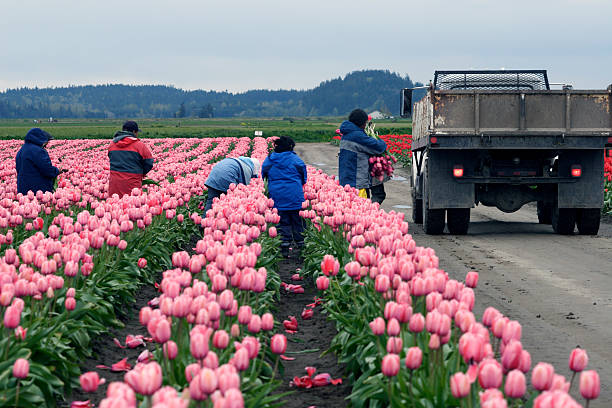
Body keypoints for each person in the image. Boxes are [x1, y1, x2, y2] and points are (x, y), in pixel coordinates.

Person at [262, 136, 307, 257]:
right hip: (295, 196)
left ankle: (284, 247)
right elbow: (304, 177)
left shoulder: (269, 160)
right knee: (298, 221)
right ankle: (301, 246)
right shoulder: (296, 160)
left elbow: (264, 176)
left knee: (282, 222)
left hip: (277, 197)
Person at [338, 109, 387, 203]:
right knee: (362, 208)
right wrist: (380, 140)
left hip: (346, 179)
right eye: (365, 122)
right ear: (361, 123)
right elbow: (379, 148)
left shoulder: (346, 134)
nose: (365, 125)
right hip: (357, 181)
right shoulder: (357, 136)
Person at [108, 121, 154, 198]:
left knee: (116, 207)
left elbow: (111, 158)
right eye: (137, 132)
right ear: (133, 132)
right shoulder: (139, 145)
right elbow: (149, 163)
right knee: (131, 207)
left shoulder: (112, 145)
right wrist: (141, 173)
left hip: (115, 184)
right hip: (133, 184)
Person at [15, 128, 62, 195]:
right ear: (40, 139)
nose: (46, 144)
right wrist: (56, 171)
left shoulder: (22, 149)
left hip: (23, 188)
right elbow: (46, 170)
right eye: (46, 141)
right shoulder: (38, 151)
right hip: (37, 189)